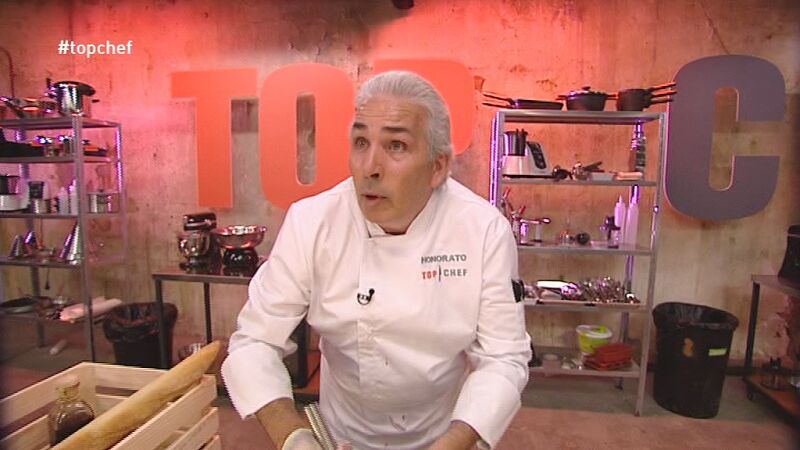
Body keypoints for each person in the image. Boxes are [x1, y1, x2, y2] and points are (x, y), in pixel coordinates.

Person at [222, 70, 531, 450]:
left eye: (396, 145)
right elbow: (254, 342)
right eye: (361, 142)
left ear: (438, 167)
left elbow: (503, 358)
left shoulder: (482, 231)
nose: (370, 167)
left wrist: (453, 442)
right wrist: (296, 439)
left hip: (444, 434)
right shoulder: (313, 222)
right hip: (340, 436)